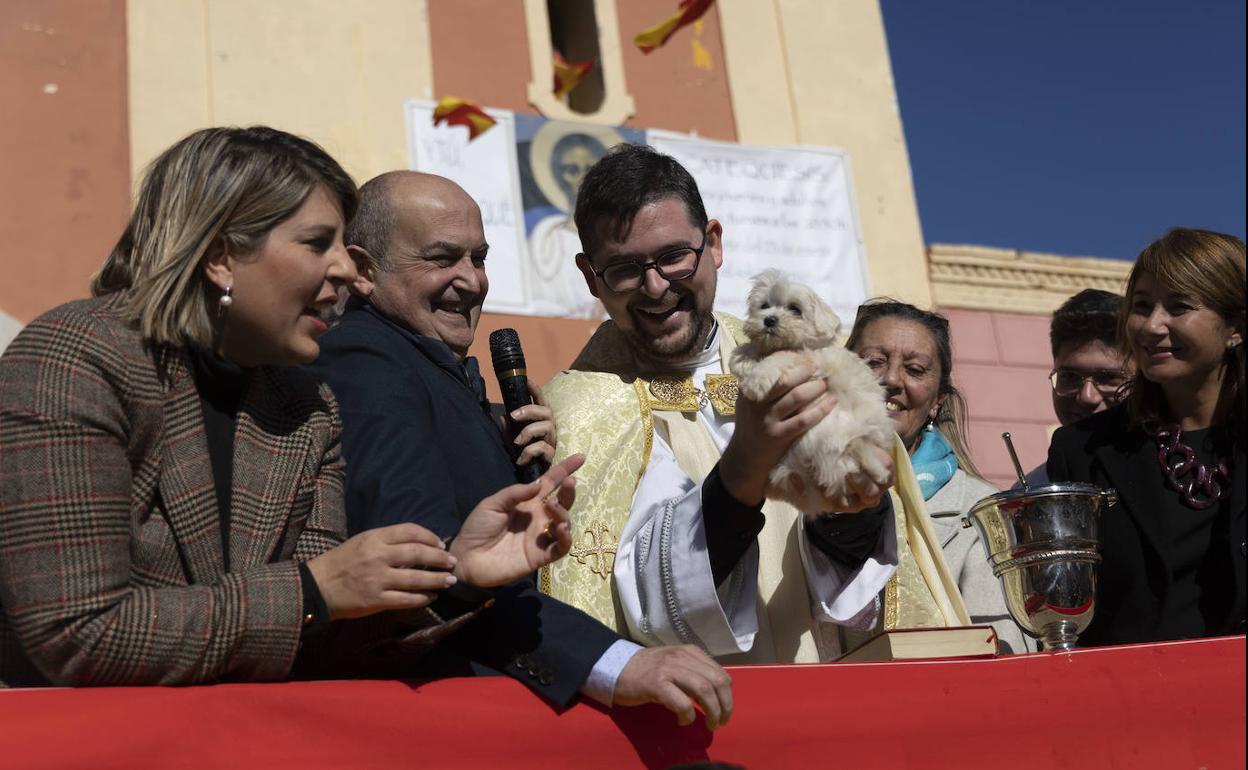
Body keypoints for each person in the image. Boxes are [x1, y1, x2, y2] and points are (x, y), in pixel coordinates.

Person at [0, 127, 581, 688]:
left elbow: (322, 643)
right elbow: (75, 630)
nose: (348, 271)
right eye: (316, 243)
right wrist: (310, 591)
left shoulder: (306, 406)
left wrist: (458, 578)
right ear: (223, 256)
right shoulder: (77, 358)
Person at [307, 170, 732, 729]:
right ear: (363, 270)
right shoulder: (367, 359)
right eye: (442, 259)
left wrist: (504, 448)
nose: (472, 281)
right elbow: (425, 562)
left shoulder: (428, 361)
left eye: (478, 258)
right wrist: (613, 663)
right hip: (446, 715)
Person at [543, 144, 973, 663]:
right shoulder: (576, 410)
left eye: (675, 257)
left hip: (824, 690)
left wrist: (850, 515)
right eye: (624, 269)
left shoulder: (799, 353)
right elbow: (641, 600)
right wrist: (743, 469)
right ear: (591, 277)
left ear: (714, 243)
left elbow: (864, 593)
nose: (657, 288)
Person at [1047, 227, 1245, 645]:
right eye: (1141, 306)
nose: (1152, 325)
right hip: (1136, 696)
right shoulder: (1082, 449)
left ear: (1235, 328)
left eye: (1179, 306)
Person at [844, 300, 1031, 653]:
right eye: (873, 362)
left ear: (936, 402)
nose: (891, 380)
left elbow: (1003, 654)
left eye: (914, 369)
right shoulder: (790, 495)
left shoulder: (983, 512)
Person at [1019, 289, 1131, 486]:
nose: (1087, 396)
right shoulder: (1033, 490)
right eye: (1069, 377)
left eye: (1109, 378)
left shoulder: (1181, 475)